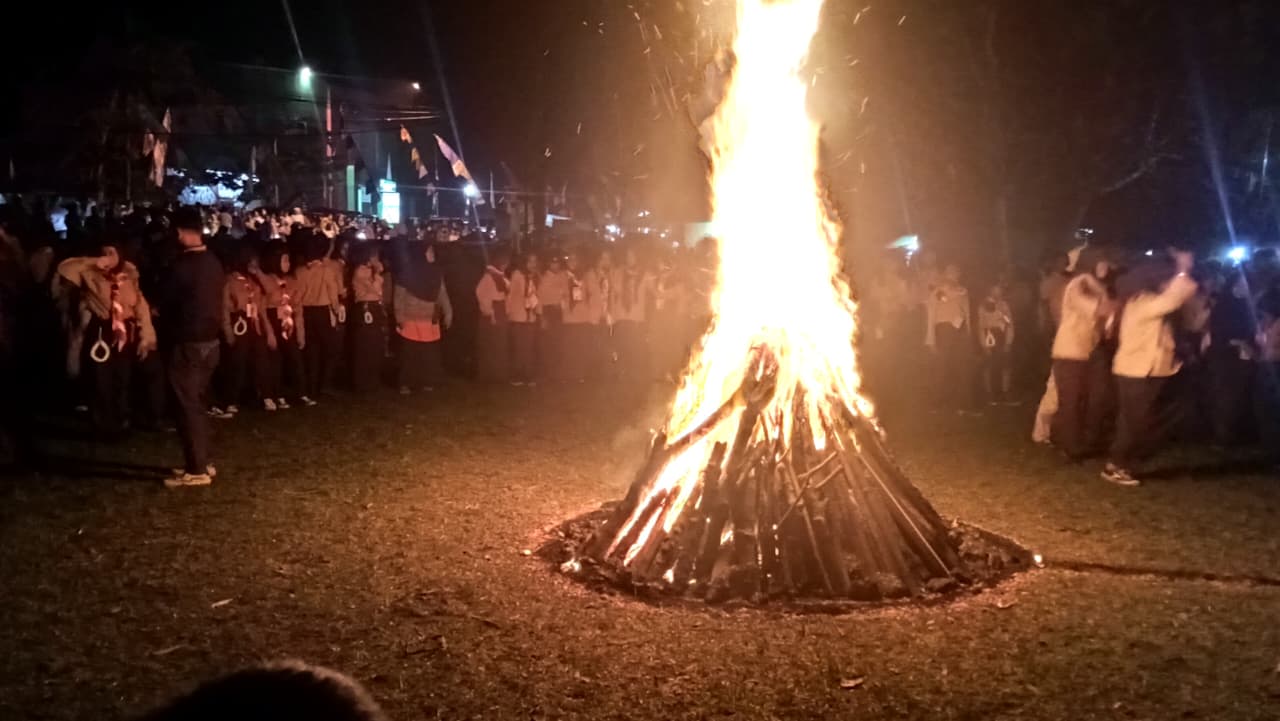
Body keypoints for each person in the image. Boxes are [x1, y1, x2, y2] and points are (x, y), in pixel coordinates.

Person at [1102, 251, 1198, 486]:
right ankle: (1119, 464)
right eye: (1166, 278)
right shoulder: (1143, 302)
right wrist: (1183, 269)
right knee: (1137, 421)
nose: (1169, 283)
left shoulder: (1141, 301)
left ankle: (1120, 461)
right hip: (1137, 371)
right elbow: (1174, 298)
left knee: (1136, 419)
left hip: (1144, 370)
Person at [54, 237, 157, 434]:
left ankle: (121, 419)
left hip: (124, 330)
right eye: (104, 252)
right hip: (101, 328)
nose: (108, 257)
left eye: (112, 253)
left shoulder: (129, 275)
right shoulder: (90, 274)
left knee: (122, 376)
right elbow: (64, 268)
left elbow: (139, 304)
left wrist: (147, 333)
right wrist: (94, 261)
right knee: (101, 377)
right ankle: (102, 422)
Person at [161, 208, 225, 487]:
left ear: (179, 232)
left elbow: (166, 300)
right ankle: (201, 461)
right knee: (197, 403)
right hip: (211, 341)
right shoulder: (213, 261)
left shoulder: (181, 266)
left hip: (189, 341)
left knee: (187, 405)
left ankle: (196, 468)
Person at [1049, 257, 1116, 459]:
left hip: (1089, 350)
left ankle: (1082, 442)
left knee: (1096, 397)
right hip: (1070, 352)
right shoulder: (1077, 286)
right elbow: (1102, 309)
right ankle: (1069, 447)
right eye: (1103, 264)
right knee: (1071, 400)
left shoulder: (1095, 287)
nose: (1108, 268)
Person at [214, 248, 274, 418]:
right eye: (251, 262)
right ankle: (231, 400)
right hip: (239, 322)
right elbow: (225, 308)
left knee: (261, 360)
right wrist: (228, 331)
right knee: (237, 363)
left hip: (255, 322)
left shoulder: (256, 280)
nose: (253, 265)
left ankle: (266, 395)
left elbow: (271, 291)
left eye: (256, 262)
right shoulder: (230, 281)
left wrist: (259, 273)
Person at [1204, 270, 1257, 446]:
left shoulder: (1246, 305)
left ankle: (1237, 434)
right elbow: (1218, 333)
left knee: (1239, 396)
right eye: (1243, 283)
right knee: (1225, 397)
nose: (1247, 286)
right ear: (1235, 284)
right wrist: (1239, 343)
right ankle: (1222, 438)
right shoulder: (1224, 305)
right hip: (1224, 358)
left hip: (1244, 357)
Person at [392, 240, 451, 394]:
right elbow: (399, 296)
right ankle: (406, 383)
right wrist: (400, 317)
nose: (432, 254)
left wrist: (448, 311)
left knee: (429, 353)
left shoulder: (435, 272)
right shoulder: (407, 272)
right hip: (411, 319)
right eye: (429, 251)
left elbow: (441, 293)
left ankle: (427, 381)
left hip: (429, 319)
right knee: (410, 354)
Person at [256, 244, 306, 411]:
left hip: (288, 320)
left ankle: (298, 392)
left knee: (294, 358)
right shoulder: (266, 279)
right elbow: (264, 305)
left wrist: (300, 331)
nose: (288, 263)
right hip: (272, 320)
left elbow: (297, 306)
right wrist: (269, 331)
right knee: (274, 360)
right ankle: (274, 395)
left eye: (288, 259)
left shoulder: (292, 280)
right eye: (284, 260)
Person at [293, 231, 340, 403]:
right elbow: (333, 294)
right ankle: (324, 384)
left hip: (306, 312)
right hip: (323, 312)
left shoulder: (300, 271)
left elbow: (298, 294)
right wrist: (336, 310)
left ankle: (312, 386)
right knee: (331, 350)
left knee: (312, 351)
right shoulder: (326, 271)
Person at [924, 263, 976, 414]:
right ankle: (936, 403)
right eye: (950, 271)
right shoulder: (939, 290)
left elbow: (967, 313)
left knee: (963, 367)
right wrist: (931, 339)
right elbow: (931, 313)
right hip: (944, 329)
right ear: (945, 273)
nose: (954, 273)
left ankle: (965, 404)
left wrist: (968, 331)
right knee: (942, 367)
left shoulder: (963, 291)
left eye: (956, 271)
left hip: (959, 330)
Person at [610, 247, 656, 381]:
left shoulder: (646, 274)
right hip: (621, 317)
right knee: (622, 347)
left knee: (635, 349)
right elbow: (614, 293)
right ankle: (621, 373)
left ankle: (634, 374)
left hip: (636, 319)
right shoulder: (618, 272)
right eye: (628, 256)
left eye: (633, 256)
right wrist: (612, 315)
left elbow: (655, 292)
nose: (630, 259)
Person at [348, 242, 385, 393]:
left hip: (374, 307)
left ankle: (372, 379)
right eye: (374, 255)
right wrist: (377, 272)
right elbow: (376, 289)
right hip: (365, 308)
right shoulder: (361, 271)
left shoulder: (371, 270)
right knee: (365, 345)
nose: (377, 258)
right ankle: (362, 381)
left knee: (374, 344)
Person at [474, 249, 511, 383]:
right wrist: (490, 311)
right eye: (503, 262)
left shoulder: (501, 277)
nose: (505, 265)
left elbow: (506, 293)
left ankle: (499, 374)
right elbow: (480, 293)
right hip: (491, 314)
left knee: (500, 344)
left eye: (506, 263)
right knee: (490, 344)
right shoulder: (489, 277)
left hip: (500, 312)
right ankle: (488, 374)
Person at [976, 282, 1016, 405]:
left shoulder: (1004, 305)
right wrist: (984, 344)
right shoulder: (983, 306)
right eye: (995, 291)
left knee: (1005, 365)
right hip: (990, 336)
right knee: (990, 365)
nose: (997, 294)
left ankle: (1005, 392)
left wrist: (1008, 341)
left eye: (999, 292)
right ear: (990, 291)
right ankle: (990, 394)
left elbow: (1009, 323)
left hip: (1002, 335)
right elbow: (981, 326)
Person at [506, 252, 540, 385]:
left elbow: (537, 296)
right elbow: (511, 294)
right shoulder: (517, 275)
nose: (533, 264)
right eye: (530, 261)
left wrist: (538, 312)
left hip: (531, 316)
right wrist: (508, 312)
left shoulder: (536, 276)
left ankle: (529, 374)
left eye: (535, 261)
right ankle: (518, 375)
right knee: (519, 347)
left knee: (529, 347)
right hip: (518, 316)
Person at [538, 253, 570, 382]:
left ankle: (558, 373)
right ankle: (547, 373)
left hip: (560, 313)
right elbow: (539, 298)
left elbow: (567, 294)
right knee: (548, 345)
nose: (554, 265)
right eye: (552, 262)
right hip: (548, 312)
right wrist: (542, 317)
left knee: (559, 343)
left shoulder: (563, 276)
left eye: (556, 263)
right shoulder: (544, 277)